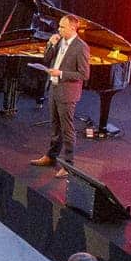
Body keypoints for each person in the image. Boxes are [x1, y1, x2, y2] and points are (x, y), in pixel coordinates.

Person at [29, 14, 89, 176]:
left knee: (67, 129)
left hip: (67, 93)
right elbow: (47, 60)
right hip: (54, 89)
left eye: (62, 27)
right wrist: (50, 44)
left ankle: (69, 165)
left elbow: (84, 75)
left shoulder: (81, 47)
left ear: (72, 28)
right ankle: (51, 156)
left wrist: (61, 73)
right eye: (59, 26)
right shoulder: (59, 40)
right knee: (55, 126)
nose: (59, 29)